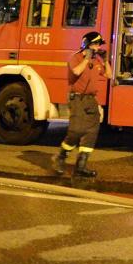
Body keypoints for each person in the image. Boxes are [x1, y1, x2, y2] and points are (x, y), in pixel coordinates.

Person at [53, 31, 109, 177]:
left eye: (99, 44)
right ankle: (60, 157)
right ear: (86, 44)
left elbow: (108, 75)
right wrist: (86, 59)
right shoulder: (75, 58)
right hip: (77, 98)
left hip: (91, 99)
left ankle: (81, 166)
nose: (98, 47)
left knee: (91, 132)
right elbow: (76, 71)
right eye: (95, 44)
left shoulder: (97, 61)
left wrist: (106, 61)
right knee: (76, 130)